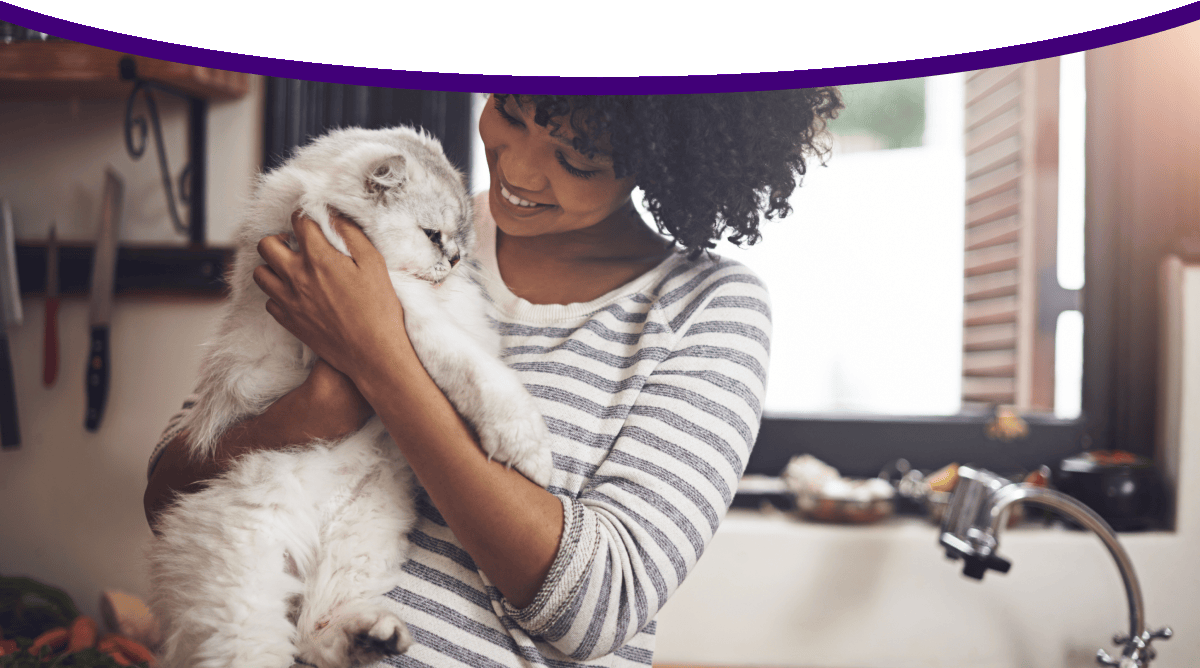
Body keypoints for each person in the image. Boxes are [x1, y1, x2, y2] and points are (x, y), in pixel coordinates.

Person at [144, 90, 842, 667]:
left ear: (662, 160)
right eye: (511, 110)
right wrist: (303, 417)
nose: (521, 169)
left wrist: (382, 362)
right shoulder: (396, 220)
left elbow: (598, 610)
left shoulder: (709, 309)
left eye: (576, 157)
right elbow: (170, 489)